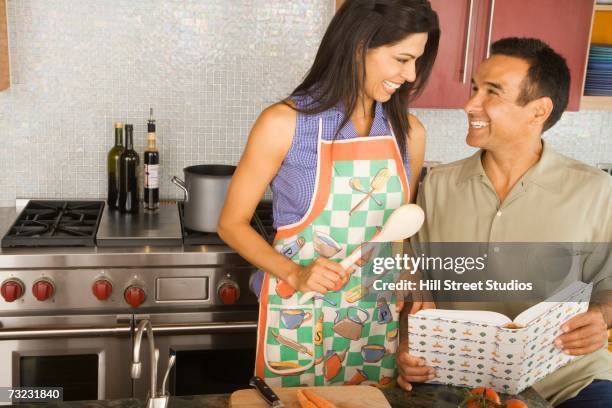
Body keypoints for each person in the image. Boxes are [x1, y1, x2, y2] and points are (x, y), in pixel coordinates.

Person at [218, 0, 439, 388]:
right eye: (402, 59)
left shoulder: (410, 133)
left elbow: (398, 235)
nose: (411, 74)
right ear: (359, 46)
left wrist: (410, 274)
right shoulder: (284, 123)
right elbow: (231, 224)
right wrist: (295, 272)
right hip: (299, 316)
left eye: (417, 61)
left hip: (374, 319)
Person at [397, 37, 612, 406]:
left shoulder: (596, 190)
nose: (469, 104)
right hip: (456, 380)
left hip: (571, 381)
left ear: (538, 110)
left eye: (492, 92)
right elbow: (414, 283)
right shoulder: (437, 185)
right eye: (475, 88)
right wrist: (407, 347)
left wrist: (601, 317)